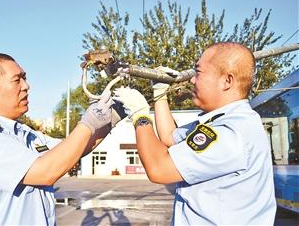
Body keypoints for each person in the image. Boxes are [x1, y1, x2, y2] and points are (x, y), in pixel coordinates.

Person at [113, 42, 276, 225]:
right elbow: (169, 136)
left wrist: (140, 116)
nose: (192, 80)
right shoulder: (222, 122)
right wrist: (160, 93)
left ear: (226, 81)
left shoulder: (231, 133)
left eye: (198, 72)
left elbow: (159, 169)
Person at [0, 53, 113, 225]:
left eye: (25, 78)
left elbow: (73, 150)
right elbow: (45, 172)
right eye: (17, 80)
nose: (26, 86)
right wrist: (90, 121)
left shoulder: (26, 134)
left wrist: (112, 116)